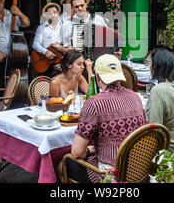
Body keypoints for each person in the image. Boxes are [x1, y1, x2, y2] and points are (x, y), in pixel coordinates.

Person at [57, 54, 146, 183]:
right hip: (138, 169)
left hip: (109, 174)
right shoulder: (135, 97)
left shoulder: (94, 103)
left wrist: (88, 150)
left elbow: (76, 153)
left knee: (61, 165)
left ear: (97, 77)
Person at [32, 3, 73, 77]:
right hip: (47, 62)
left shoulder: (65, 26)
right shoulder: (42, 28)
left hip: (62, 60)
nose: (53, 15)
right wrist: (46, 52)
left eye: (55, 12)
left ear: (58, 13)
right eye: (49, 13)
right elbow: (35, 44)